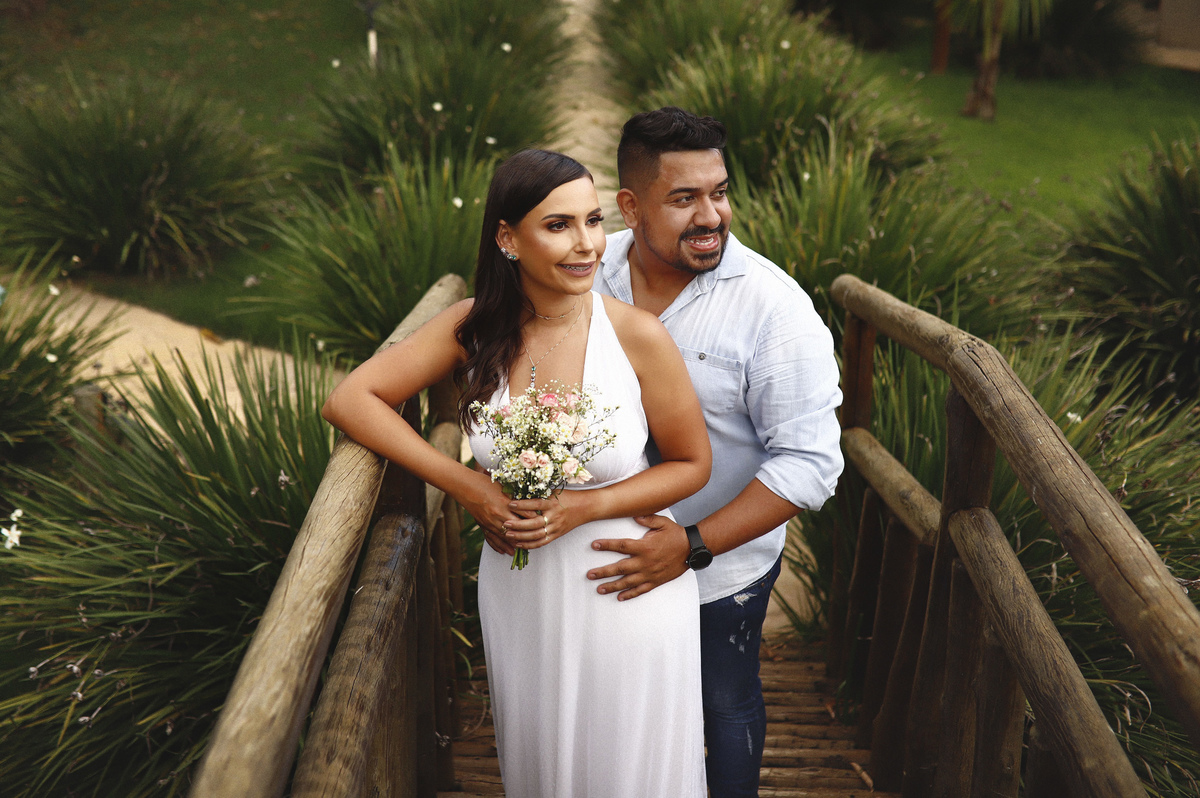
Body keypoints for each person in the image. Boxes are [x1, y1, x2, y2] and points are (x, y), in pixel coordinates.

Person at [321, 148, 712, 798]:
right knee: (541, 768)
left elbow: (692, 463)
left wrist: (586, 507)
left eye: (592, 221)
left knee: (630, 774)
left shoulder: (638, 336)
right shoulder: (472, 328)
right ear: (508, 238)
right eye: (558, 225)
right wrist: (467, 484)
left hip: (626, 586)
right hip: (521, 593)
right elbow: (351, 399)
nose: (586, 243)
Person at [590, 107, 844, 797]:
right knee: (609, 709)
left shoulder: (774, 309)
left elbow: (810, 464)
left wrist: (692, 544)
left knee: (723, 703)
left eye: (720, 192)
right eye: (684, 199)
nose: (711, 216)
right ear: (631, 205)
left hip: (717, 567)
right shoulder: (586, 272)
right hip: (593, 561)